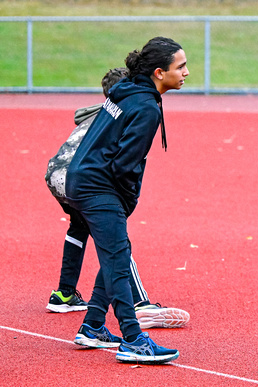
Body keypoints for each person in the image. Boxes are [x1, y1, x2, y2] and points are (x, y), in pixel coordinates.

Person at [58, 36, 189, 364]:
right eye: (181, 67)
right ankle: (133, 339)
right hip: (97, 187)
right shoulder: (146, 107)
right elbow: (123, 165)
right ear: (159, 73)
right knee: (118, 259)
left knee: (114, 253)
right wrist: (127, 198)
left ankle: (93, 326)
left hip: (81, 178)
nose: (187, 72)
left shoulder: (127, 89)